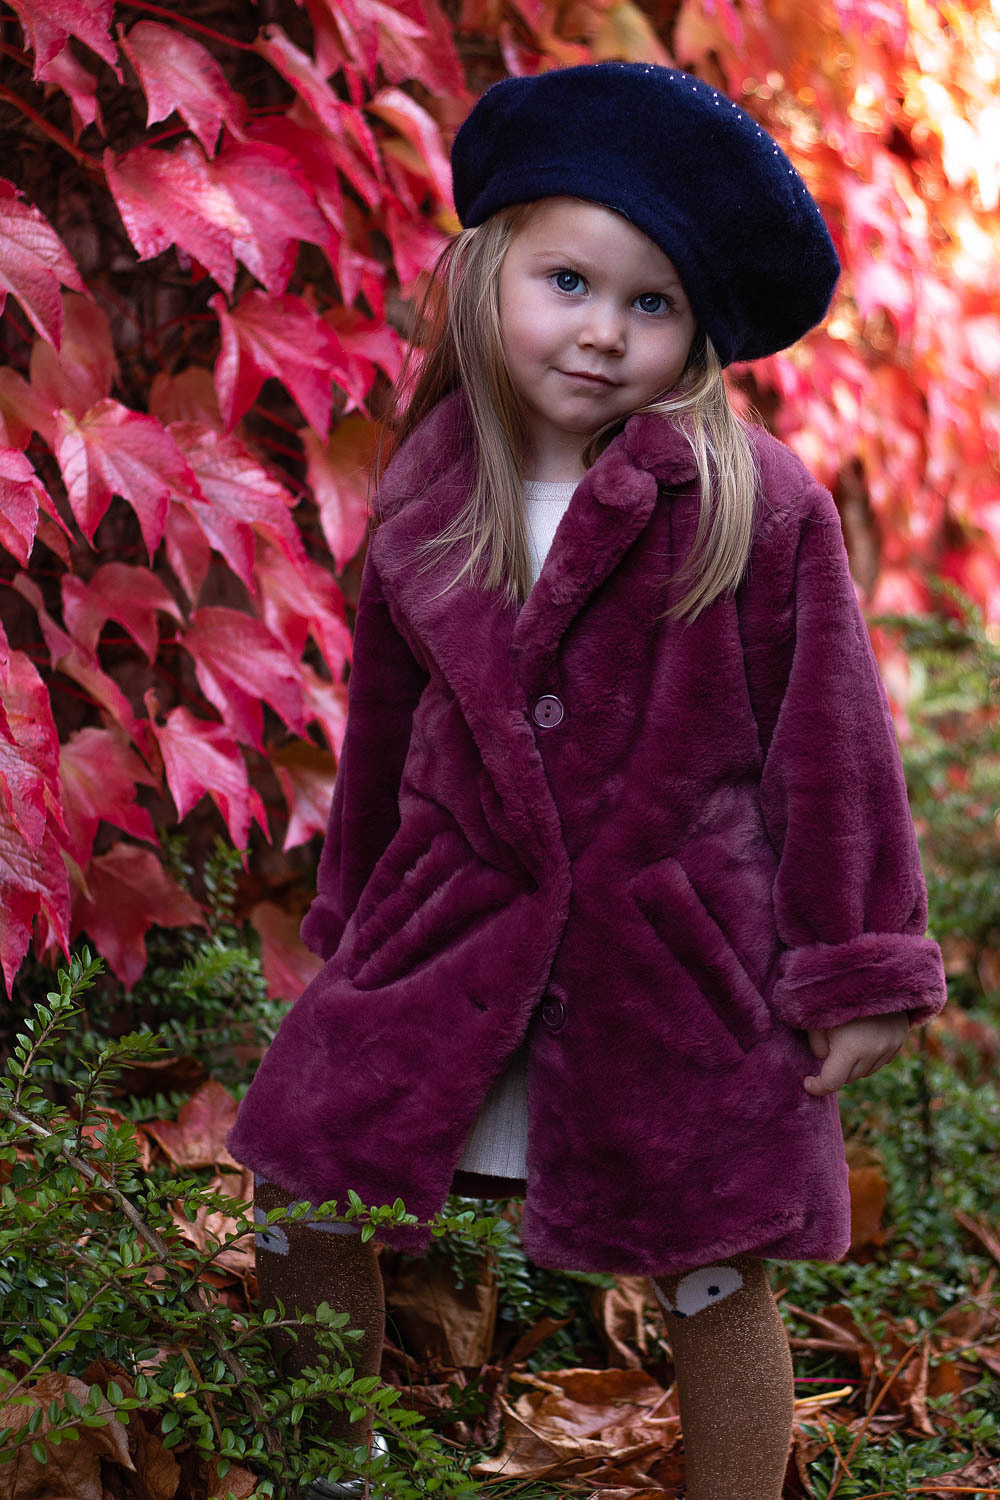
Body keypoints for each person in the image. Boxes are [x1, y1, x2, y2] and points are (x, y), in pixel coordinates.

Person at [230, 62, 947, 1499]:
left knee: (707, 1264)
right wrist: (355, 911)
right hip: (448, 931)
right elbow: (382, 728)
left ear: (697, 335)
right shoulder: (435, 488)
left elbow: (834, 740)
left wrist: (858, 968)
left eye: (652, 304)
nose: (605, 332)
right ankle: (336, 1466)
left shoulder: (754, 503)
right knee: (312, 1190)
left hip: (670, 963)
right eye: (571, 280)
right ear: (492, 270)